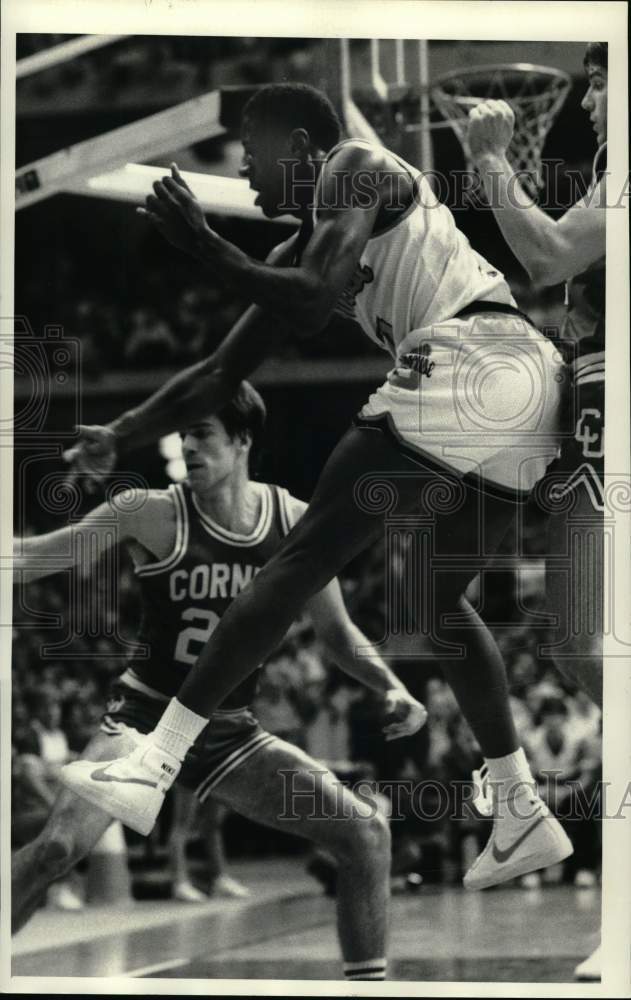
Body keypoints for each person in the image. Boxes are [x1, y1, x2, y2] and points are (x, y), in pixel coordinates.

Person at [61, 82, 572, 892]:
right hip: (526, 385)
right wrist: (120, 433)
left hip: (473, 353)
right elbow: (219, 371)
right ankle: (517, 807)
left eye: (254, 155)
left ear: (300, 146)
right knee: (431, 602)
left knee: (297, 562)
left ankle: (153, 765)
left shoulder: (355, 163)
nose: (248, 175)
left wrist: (204, 245)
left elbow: (313, 300)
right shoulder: (301, 246)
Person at [13, 382, 427, 983]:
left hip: (227, 732)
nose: (188, 447)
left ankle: (368, 987)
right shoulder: (151, 511)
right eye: (183, 435)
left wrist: (390, 683)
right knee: (56, 850)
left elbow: (338, 632)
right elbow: (30, 560)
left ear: (242, 441)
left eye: (202, 433)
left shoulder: (292, 521)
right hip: (144, 721)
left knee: (365, 833)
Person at [466, 41, 607, 977]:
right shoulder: (600, 161)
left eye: (604, 79)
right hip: (594, 388)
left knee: (596, 648)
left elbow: (551, 250)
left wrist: (485, 161)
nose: (592, 95)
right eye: (590, 82)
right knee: (575, 642)